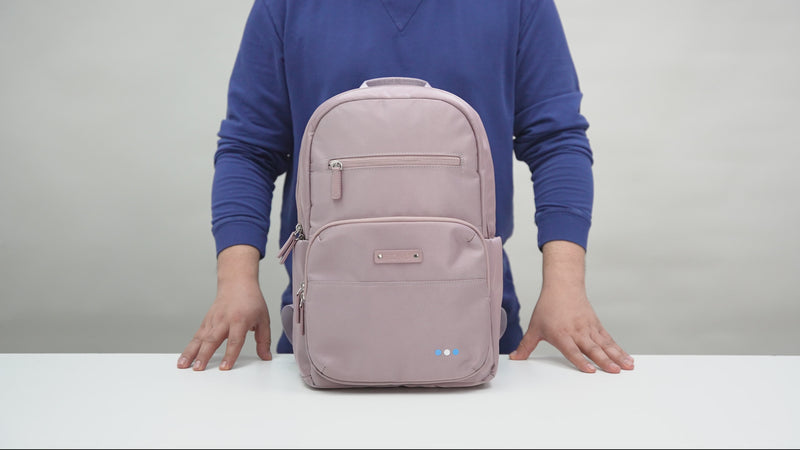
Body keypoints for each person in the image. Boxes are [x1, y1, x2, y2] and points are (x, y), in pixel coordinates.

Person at [177, 0, 634, 374]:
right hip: (322, 322)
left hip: (476, 321)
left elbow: (556, 142)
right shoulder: (285, 5)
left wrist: (565, 287)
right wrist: (236, 281)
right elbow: (250, 149)